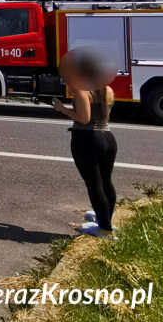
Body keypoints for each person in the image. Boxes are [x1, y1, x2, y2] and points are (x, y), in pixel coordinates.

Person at [52, 48, 118, 239]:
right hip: (107, 138)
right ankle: (105, 220)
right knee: (106, 182)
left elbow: (84, 118)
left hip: (87, 140)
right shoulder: (107, 89)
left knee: (94, 184)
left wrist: (62, 109)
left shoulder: (83, 91)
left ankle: (104, 230)